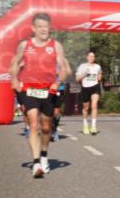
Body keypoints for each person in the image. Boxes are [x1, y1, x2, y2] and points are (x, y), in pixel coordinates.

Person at [9, 13, 73, 178]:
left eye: (46, 27)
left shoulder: (56, 45)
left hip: (48, 90)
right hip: (29, 89)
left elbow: (64, 68)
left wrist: (58, 82)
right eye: (40, 27)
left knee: (46, 128)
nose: (43, 30)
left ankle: (44, 155)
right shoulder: (25, 45)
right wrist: (14, 79)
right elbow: (14, 63)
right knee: (33, 124)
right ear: (33, 28)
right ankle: (36, 162)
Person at [76, 51, 103, 135]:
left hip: (95, 87)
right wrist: (84, 74)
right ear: (87, 57)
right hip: (85, 88)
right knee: (86, 108)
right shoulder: (82, 66)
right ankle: (85, 126)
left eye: (93, 56)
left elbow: (99, 75)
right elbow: (77, 79)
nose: (91, 58)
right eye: (90, 56)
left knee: (94, 105)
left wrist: (99, 77)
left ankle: (93, 126)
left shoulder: (97, 66)